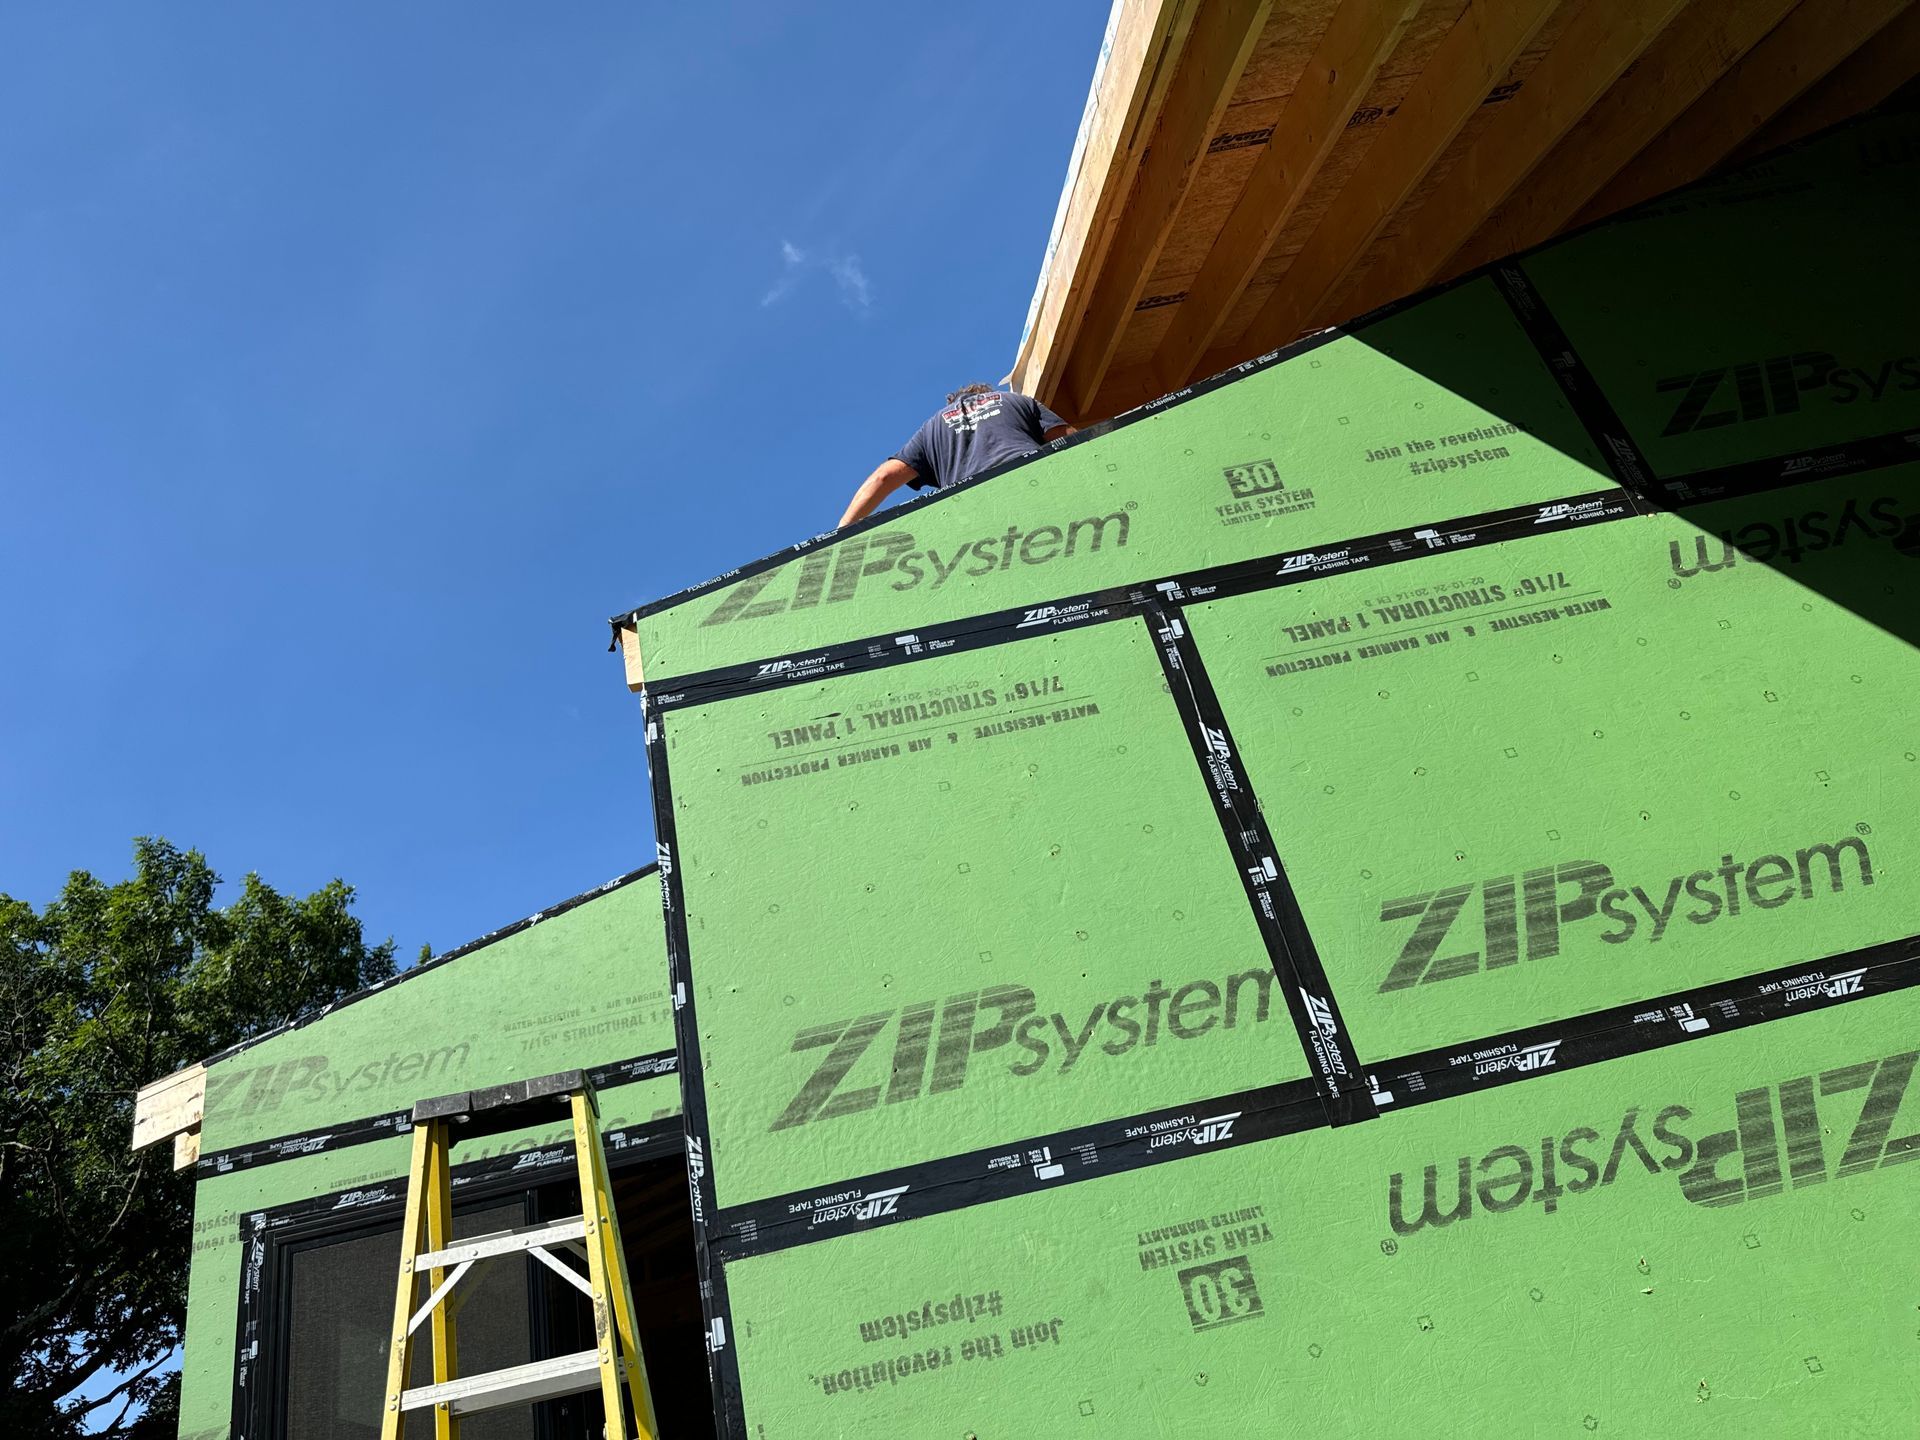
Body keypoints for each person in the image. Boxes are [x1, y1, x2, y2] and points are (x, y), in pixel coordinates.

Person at [838, 383, 1077, 527]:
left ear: (952, 401)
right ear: (985, 393)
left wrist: (841, 534)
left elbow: (884, 477)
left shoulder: (932, 426)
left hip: (974, 508)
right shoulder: (1015, 400)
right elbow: (1072, 440)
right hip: (1035, 483)